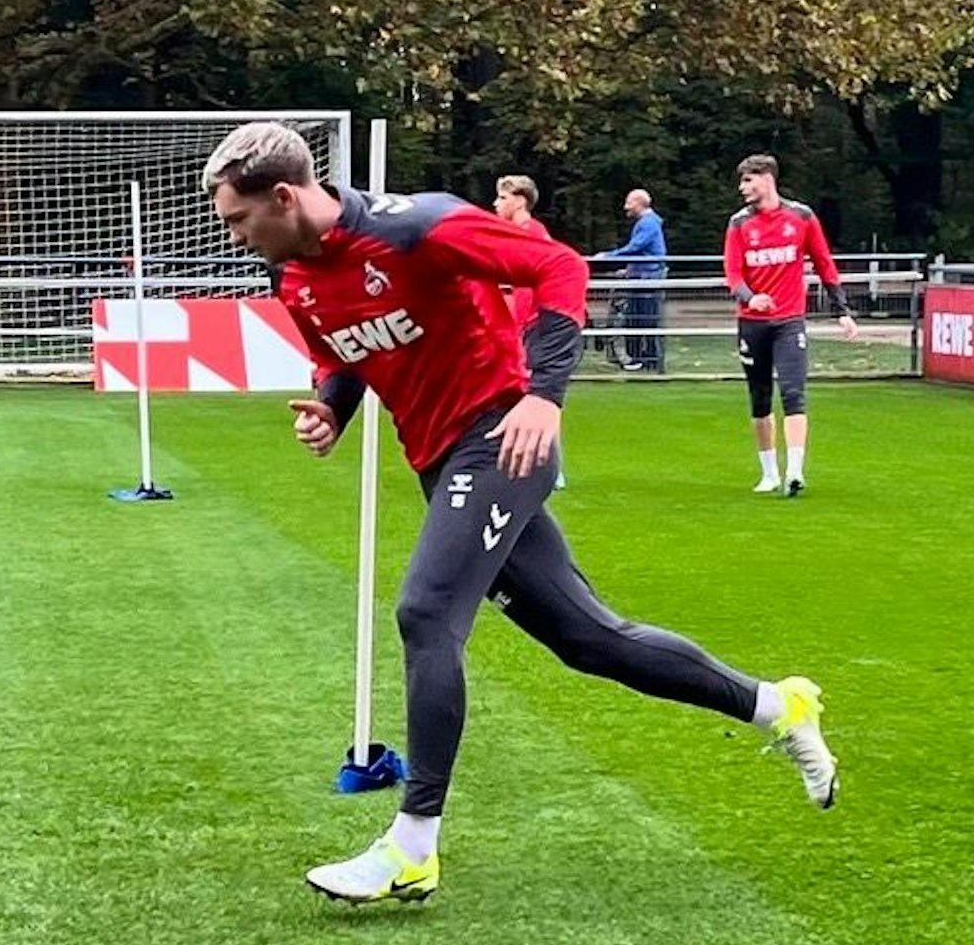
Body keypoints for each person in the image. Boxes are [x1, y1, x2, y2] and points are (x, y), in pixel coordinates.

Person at [201, 122, 837, 905]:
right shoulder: (294, 278)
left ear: (285, 196)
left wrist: (543, 395)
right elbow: (344, 354)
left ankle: (413, 844)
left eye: (238, 219)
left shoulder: (417, 225)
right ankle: (781, 705)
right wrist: (332, 408)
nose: (233, 236)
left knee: (426, 613)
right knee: (591, 640)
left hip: (501, 438)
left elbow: (559, 266)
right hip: (442, 461)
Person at [723, 155, 860, 497]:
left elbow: (825, 263)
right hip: (752, 323)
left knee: (794, 393)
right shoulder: (739, 224)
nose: (743, 189)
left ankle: (795, 472)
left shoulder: (801, 217)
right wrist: (749, 297)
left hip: (789, 321)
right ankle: (769, 472)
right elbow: (733, 274)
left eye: (747, 181)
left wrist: (841, 310)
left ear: (766, 179)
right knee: (760, 399)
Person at [492, 175, 566, 491]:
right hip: (521, 327)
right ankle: (522, 460)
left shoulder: (533, 236)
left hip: (539, 326)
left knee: (541, 396)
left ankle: (550, 467)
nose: (496, 204)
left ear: (520, 200)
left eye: (502, 198)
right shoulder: (511, 235)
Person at [594, 189, 667, 371]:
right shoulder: (648, 222)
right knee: (638, 318)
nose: (626, 207)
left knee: (644, 319)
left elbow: (636, 247)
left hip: (647, 279)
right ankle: (643, 358)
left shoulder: (648, 223)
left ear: (639, 203)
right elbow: (644, 251)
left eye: (629, 203)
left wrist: (608, 256)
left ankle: (646, 359)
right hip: (642, 276)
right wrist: (629, 269)